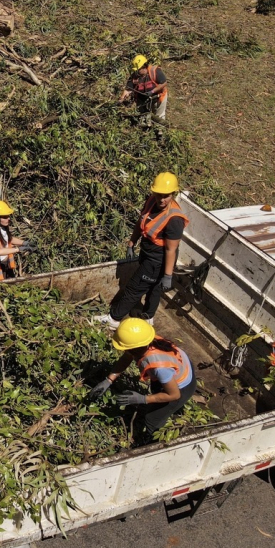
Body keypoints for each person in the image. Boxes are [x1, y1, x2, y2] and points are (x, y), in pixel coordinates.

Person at [96, 172, 188, 329]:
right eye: (159, 195)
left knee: (135, 287)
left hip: (158, 259)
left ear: (173, 194)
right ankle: (148, 316)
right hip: (148, 251)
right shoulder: (152, 201)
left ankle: (113, 319)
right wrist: (132, 242)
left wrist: (167, 275)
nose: (162, 199)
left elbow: (171, 249)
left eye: (166, 196)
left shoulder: (174, 219)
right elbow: (141, 222)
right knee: (154, 287)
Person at [90, 318, 196, 440]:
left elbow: (174, 395)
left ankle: (153, 443)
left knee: (152, 420)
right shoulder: (145, 339)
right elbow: (127, 357)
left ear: (133, 348)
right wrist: (109, 379)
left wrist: (143, 399)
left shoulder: (159, 366)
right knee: (156, 390)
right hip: (182, 367)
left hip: (181, 388)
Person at [0, 200, 29, 281]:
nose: (8, 219)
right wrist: (18, 249)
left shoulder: (2, 228)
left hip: (6, 264)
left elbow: (9, 239)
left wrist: (24, 243)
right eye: (4, 217)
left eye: (8, 216)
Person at [119, 54, 167, 127]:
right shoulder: (135, 77)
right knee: (143, 118)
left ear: (144, 67)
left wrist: (152, 92)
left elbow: (164, 83)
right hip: (142, 99)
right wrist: (121, 100)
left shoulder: (154, 71)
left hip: (158, 97)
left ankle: (161, 132)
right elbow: (128, 90)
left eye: (138, 70)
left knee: (159, 118)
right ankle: (145, 131)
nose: (137, 72)